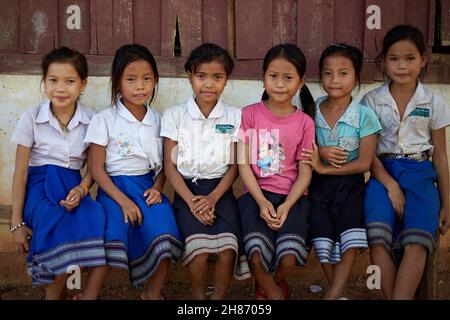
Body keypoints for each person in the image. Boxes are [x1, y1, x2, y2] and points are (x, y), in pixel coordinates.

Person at [82, 44, 182, 300]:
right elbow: (96, 168)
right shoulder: (104, 119)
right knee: (110, 238)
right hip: (112, 190)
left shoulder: (160, 120)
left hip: (148, 188)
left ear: (155, 81)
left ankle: (152, 294)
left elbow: (165, 165)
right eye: (131, 79)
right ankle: (88, 295)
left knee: (165, 235)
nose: (140, 86)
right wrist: (123, 201)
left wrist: (158, 187)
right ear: (117, 82)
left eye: (147, 79)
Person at [10, 47, 106, 300]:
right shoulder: (32, 117)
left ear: (83, 84)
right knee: (56, 224)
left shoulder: (92, 119)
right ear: (44, 83)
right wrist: (16, 222)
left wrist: (82, 189)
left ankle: (80, 295)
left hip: (72, 187)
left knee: (95, 216)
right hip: (38, 188)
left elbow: (94, 168)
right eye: (53, 80)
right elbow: (20, 172)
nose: (60, 88)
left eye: (70, 81)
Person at [362, 25, 450, 299]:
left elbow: (440, 153)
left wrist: (448, 201)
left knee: (417, 243)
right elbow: (370, 154)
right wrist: (390, 185)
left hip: (421, 174)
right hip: (381, 173)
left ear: (423, 59)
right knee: (377, 237)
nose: (402, 66)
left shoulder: (434, 103)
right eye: (394, 59)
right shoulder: (371, 101)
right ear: (383, 61)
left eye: (410, 58)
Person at [162, 43, 250, 300]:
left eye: (217, 77)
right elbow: (170, 167)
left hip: (220, 192)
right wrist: (192, 202)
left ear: (226, 80)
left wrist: (212, 199)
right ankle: (198, 298)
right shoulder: (175, 115)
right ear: (190, 76)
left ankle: (219, 298)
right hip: (186, 190)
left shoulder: (234, 116)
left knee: (227, 251)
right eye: (201, 76)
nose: (209, 84)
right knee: (198, 252)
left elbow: (235, 166)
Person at [302, 43, 382, 299]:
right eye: (328, 73)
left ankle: (333, 293)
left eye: (343, 73)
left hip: (352, 187)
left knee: (350, 237)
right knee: (321, 235)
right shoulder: (310, 110)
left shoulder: (364, 115)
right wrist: (322, 153)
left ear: (357, 77)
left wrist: (323, 169)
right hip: (317, 189)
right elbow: (304, 145)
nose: (334, 79)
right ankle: (335, 291)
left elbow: (364, 163)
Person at [238, 44, 315, 300]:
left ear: (301, 81)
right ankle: (273, 294)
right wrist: (261, 202)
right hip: (255, 196)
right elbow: (242, 164)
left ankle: (270, 284)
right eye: (273, 76)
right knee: (256, 255)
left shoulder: (305, 123)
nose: (280, 84)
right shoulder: (248, 115)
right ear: (263, 77)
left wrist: (287, 205)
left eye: (288, 78)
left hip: (293, 199)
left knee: (289, 258)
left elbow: (304, 173)